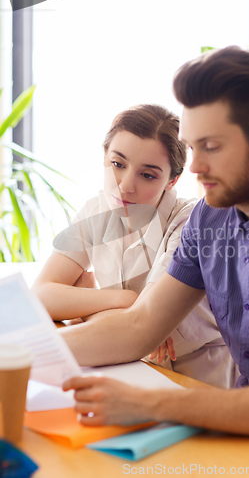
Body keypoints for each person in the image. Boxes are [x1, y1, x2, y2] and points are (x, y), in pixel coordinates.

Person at [61, 47, 249, 437]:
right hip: (245, 437)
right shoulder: (211, 217)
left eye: (212, 147)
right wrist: (26, 349)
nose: (194, 168)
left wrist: (149, 403)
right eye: (192, 146)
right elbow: (140, 326)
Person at [32, 104, 237, 389]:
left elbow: (138, 327)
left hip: (198, 372)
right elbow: (41, 295)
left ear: (172, 180)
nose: (125, 186)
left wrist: (85, 304)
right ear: (104, 157)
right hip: (127, 363)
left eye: (148, 175)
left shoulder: (189, 222)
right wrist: (123, 301)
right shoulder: (96, 210)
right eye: (117, 164)